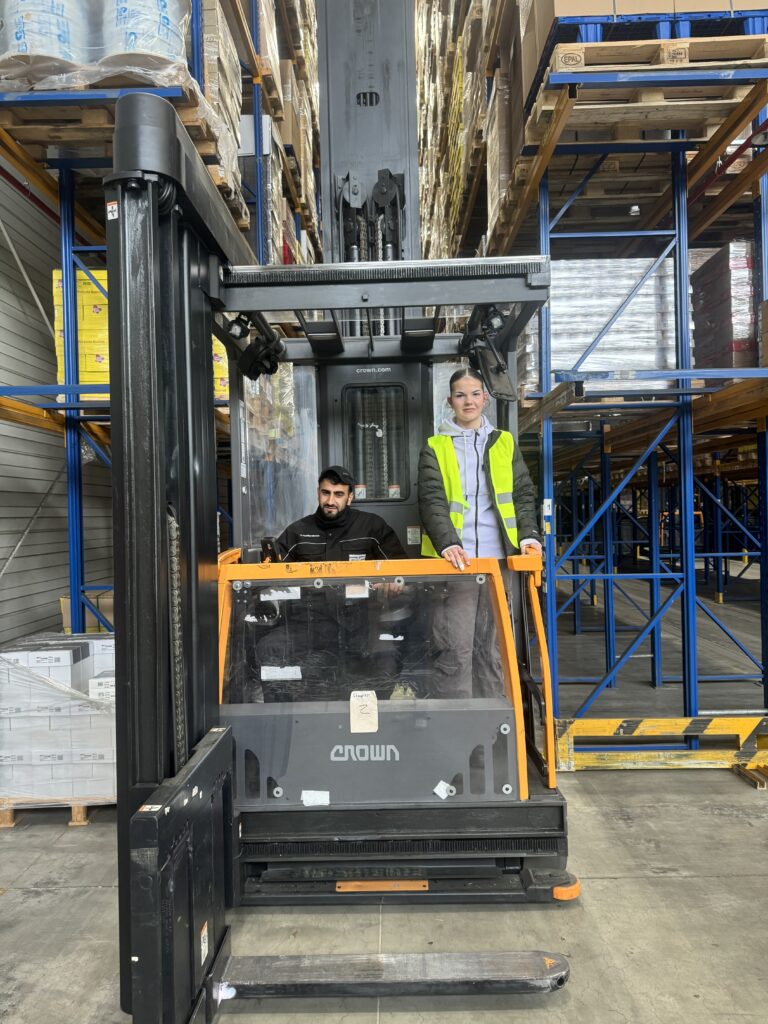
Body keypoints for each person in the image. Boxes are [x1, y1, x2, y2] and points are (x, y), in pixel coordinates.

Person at [418, 367, 542, 699]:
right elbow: (431, 498)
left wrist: (529, 536)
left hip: (499, 562)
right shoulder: (436, 446)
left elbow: (522, 492)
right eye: (460, 395)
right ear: (450, 401)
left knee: (494, 649)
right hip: (456, 565)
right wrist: (448, 544)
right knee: (454, 650)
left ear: (484, 399)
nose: (468, 401)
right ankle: (456, 731)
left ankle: (494, 731)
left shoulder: (504, 442)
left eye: (475, 394)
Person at [277, 465, 406, 562]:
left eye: (338, 494)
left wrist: (389, 584)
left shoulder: (372, 527)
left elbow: (402, 570)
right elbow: (271, 573)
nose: (330, 501)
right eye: (325, 493)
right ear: (318, 493)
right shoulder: (296, 532)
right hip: (311, 599)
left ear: (350, 498)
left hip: (363, 599)